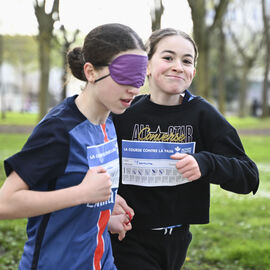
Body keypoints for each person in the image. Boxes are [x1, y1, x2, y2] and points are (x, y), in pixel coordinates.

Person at [0, 23, 147, 270]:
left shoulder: (108, 123)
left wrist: (105, 210)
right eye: (124, 75)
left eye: (139, 76)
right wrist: (81, 194)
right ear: (90, 72)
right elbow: (5, 204)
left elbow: (79, 185)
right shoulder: (58, 130)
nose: (134, 88)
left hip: (102, 263)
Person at [110, 28, 260, 270]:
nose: (178, 66)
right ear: (146, 66)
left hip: (176, 241)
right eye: (168, 58)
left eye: (186, 61)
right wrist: (110, 199)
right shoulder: (122, 114)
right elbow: (93, 165)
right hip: (126, 238)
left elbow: (249, 176)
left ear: (193, 72)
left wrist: (205, 163)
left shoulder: (203, 115)